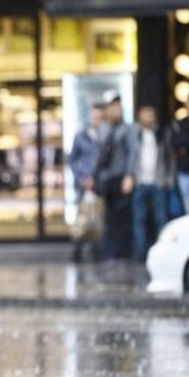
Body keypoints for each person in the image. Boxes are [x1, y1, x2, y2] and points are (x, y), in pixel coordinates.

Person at [128, 106, 173, 262]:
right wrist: (129, 176)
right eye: (144, 115)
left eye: (150, 115)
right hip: (139, 181)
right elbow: (130, 156)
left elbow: (169, 157)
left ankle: (163, 252)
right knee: (138, 219)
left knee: (160, 218)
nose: (148, 118)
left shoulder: (161, 133)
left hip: (157, 181)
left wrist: (169, 178)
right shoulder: (134, 133)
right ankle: (140, 253)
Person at [93, 93, 134, 261]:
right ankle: (108, 252)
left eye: (116, 108)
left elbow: (132, 153)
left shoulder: (127, 129)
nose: (114, 111)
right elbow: (99, 153)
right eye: (111, 108)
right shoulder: (104, 128)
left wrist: (130, 176)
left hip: (121, 177)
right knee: (108, 217)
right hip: (106, 179)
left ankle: (122, 252)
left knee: (123, 216)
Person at [68, 103, 104, 262]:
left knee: (98, 218)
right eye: (94, 116)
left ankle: (97, 253)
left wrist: (97, 179)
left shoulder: (105, 136)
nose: (96, 119)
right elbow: (73, 160)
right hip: (84, 185)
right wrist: (82, 178)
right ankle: (78, 253)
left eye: (99, 117)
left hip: (100, 185)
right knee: (82, 218)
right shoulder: (81, 136)